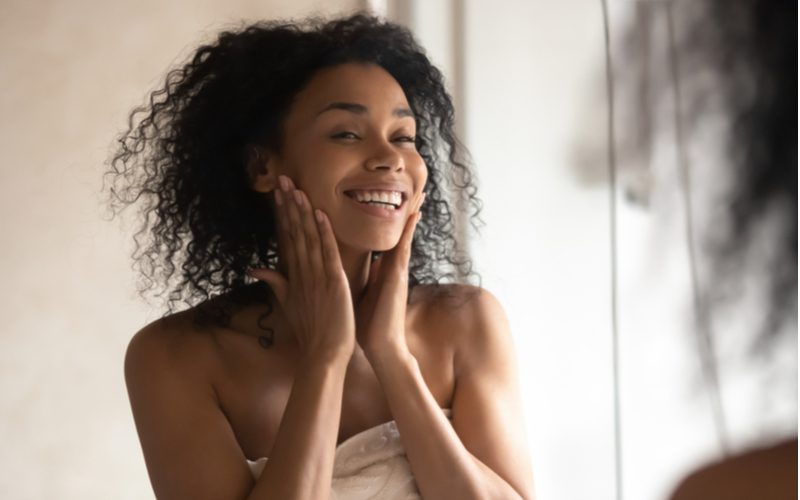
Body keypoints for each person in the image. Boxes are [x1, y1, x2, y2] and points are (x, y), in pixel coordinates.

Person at [108, 13, 535, 500]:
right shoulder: (175, 357)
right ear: (262, 165)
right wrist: (325, 359)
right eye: (346, 134)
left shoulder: (468, 320)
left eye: (403, 137)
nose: (391, 158)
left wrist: (392, 357)